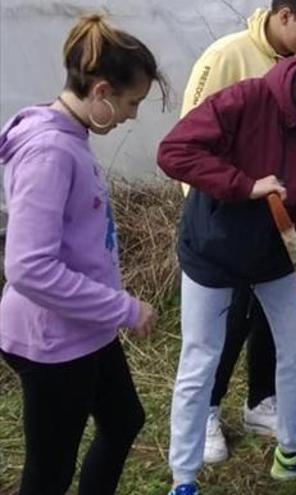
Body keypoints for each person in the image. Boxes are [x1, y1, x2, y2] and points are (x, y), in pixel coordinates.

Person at [158, 45, 296, 495]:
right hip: (213, 250)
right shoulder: (246, 100)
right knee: (201, 358)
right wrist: (244, 185)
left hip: (276, 257)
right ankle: (184, 478)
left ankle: (291, 452)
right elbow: (174, 152)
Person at [0, 14, 165, 494]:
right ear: (100, 91)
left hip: (85, 325)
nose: (134, 115)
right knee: (49, 471)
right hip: (52, 340)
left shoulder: (70, 136)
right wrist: (123, 308)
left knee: (124, 420)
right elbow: (28, 267)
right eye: (131, 102)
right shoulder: (50, 151)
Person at [178, 0, 296, 464]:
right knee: (224, 331)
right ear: (284, 14)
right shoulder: (228, 57)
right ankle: (208, 411)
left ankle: (260, 403)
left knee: (275, 331)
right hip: (222, 232)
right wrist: (226, 204)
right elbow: (189, 139)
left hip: (276, 238)